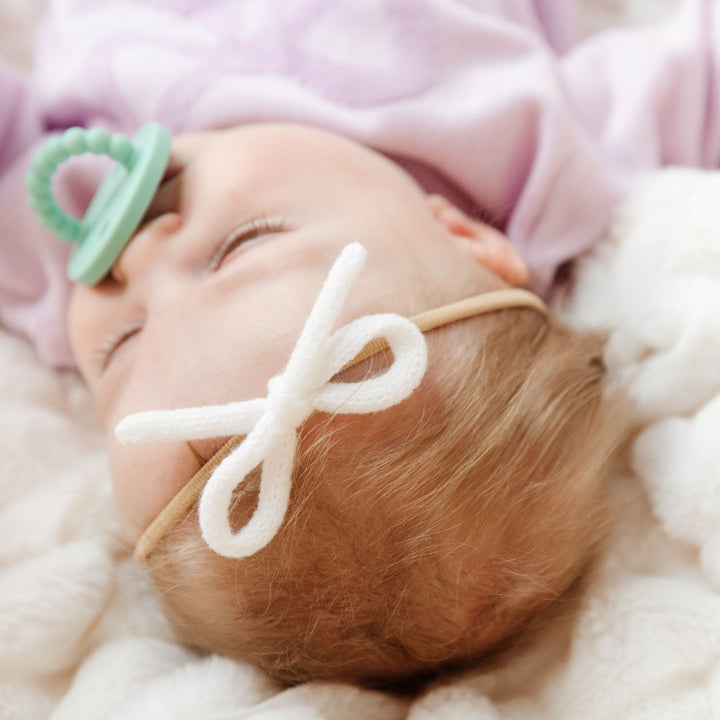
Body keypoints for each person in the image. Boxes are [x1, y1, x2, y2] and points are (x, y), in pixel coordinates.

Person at [0, 0, 714, 686]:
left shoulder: (57, 229)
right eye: (242, 246)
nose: (138, 254)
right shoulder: (539, 159)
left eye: (121, 345)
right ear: (466, 236)